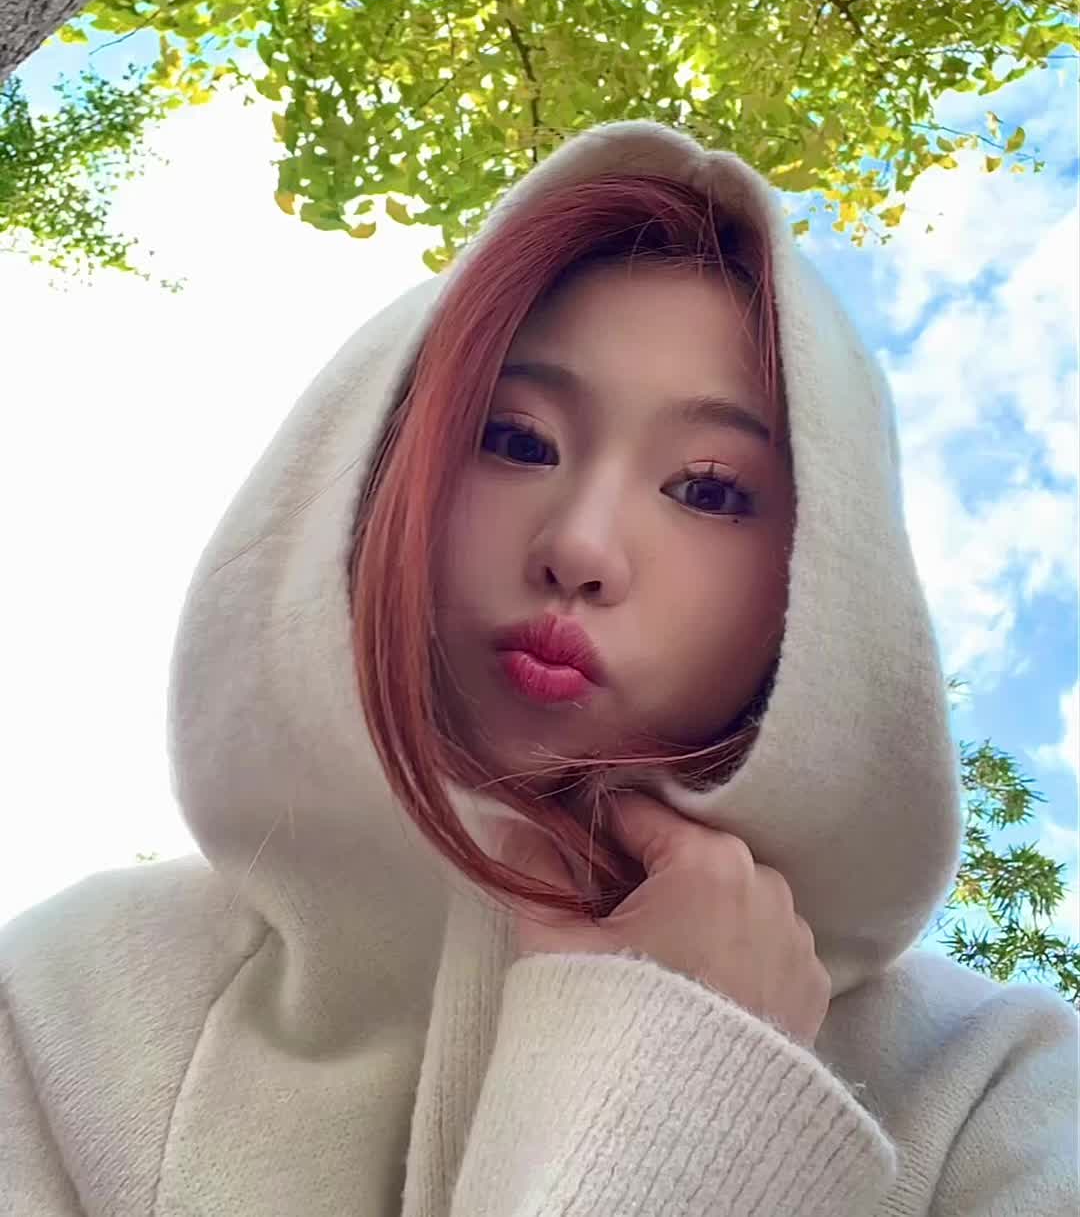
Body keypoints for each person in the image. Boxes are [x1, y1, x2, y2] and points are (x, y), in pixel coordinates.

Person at [1, 119, 1075, 1216]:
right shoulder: (70, 1003)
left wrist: (694, 1080)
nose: (581, 546)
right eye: (517, 441)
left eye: (708, 489)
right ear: (380, 469)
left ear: (823, 577)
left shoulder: (996, 1089)